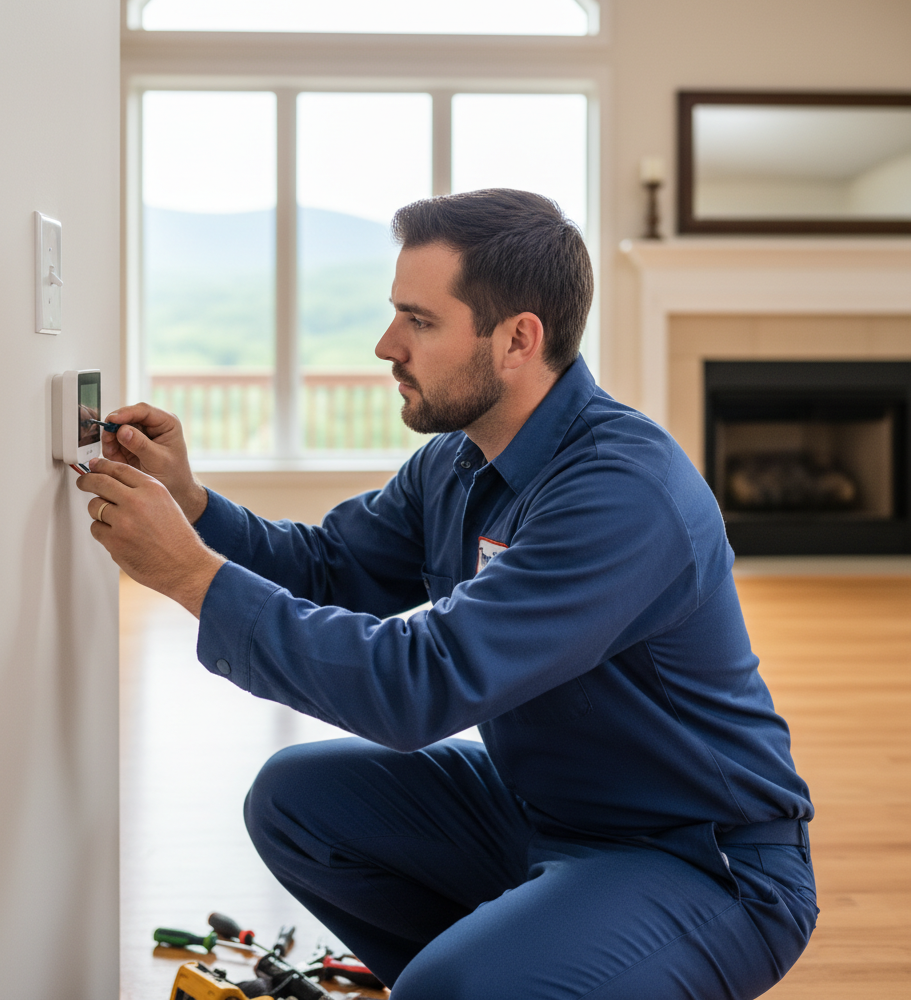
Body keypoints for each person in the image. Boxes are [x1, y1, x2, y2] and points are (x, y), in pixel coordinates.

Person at [77, 189, 816, 1000]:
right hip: (541, 808)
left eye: (419, 321)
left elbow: (419, 686)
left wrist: (188, 573)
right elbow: (332, 569)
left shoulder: (622, 491)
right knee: (296, 802)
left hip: (698, 857)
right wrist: (193, 507)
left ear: (517, 340)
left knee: (452, 989)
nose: (386, 344)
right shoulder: (461, 460)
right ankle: (515, 967)